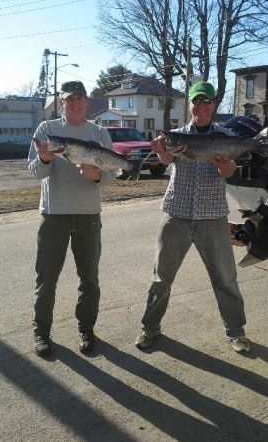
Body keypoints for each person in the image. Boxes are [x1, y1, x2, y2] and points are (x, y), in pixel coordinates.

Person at [135, 81, 250, 354]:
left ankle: (236, 332)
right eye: (196, 101)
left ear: (213, 106)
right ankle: (150, 328)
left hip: (213, 217)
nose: (200, 106)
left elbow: (232, 169)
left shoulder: (225, 136)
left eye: (205, 102)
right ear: (190, 105)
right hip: (177, 214)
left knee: (225, 278)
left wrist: (226, 168)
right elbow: (166, 161)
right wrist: (162, 150)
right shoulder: (176, 137)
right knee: (161, 277)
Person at [28, 80, 115, 356]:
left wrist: (98, 175)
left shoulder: (99, 133)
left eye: (80, 97)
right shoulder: (47, 130)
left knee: (89, 278)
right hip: (54, 215)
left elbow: (112, 172)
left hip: (89, 216)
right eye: (69, 98)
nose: (75, 102)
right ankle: (41, 332)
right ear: (61, 102)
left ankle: (86, 329)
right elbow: (35, 173)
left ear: (87, 102)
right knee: (46, 278)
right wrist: (44, 159)